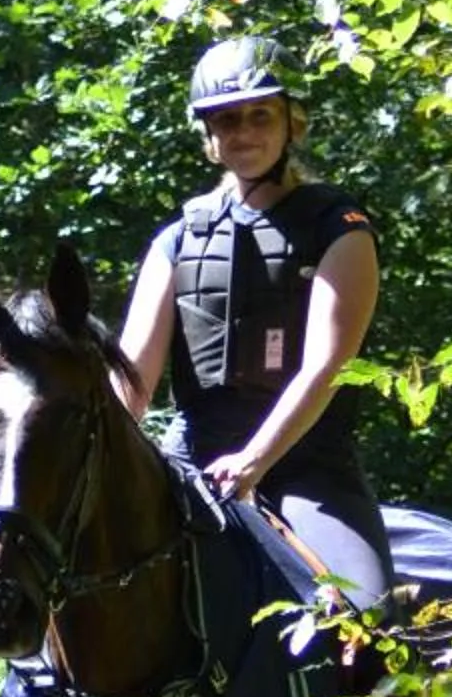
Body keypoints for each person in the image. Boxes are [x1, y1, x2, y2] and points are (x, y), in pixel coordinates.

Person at [116, 35, 393, 612]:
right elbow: (130, 383)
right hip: (191, 459)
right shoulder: (176, 240)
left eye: (258, 115)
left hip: (309, 469)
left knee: (370, 621)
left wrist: (253, 461)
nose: (242, 132)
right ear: (209, 138)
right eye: (225, 120)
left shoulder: (340, 229)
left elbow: (327, 367)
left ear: (294, 123)